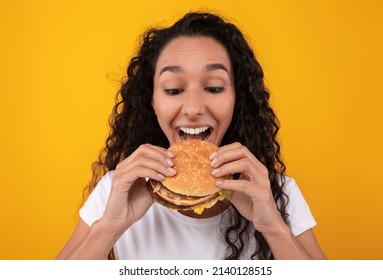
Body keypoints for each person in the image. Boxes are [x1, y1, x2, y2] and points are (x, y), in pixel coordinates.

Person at [57, 12, 326, 260]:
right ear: (152, 101)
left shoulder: (275, 193)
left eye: (214, 87)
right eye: (173, 90)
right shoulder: (118, 190)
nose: (194, 109)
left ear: (236, 98)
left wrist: (273, 227)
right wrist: (110, 226)